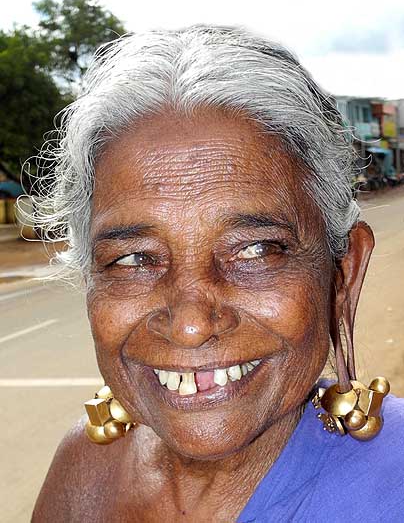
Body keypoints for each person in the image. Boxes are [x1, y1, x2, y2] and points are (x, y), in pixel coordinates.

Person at [32, 26, 404, 522]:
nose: (190, 324)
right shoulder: (85, 466)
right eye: (133, 258)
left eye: (254, 250)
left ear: (343, 275)